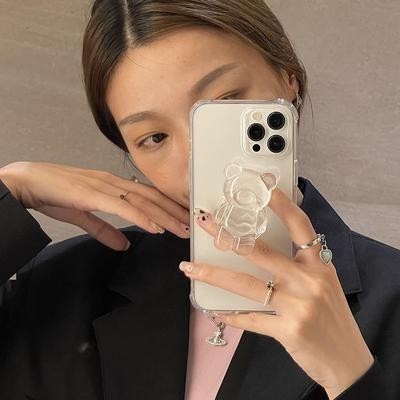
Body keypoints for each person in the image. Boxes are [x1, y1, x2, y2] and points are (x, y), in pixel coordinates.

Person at [0, 1, 399, 399]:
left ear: (287, 77)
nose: (196, 159)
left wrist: (351, 376)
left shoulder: (391, 297)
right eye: (155, 138)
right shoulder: (62, 288)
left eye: (224, 102)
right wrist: (9, 191)